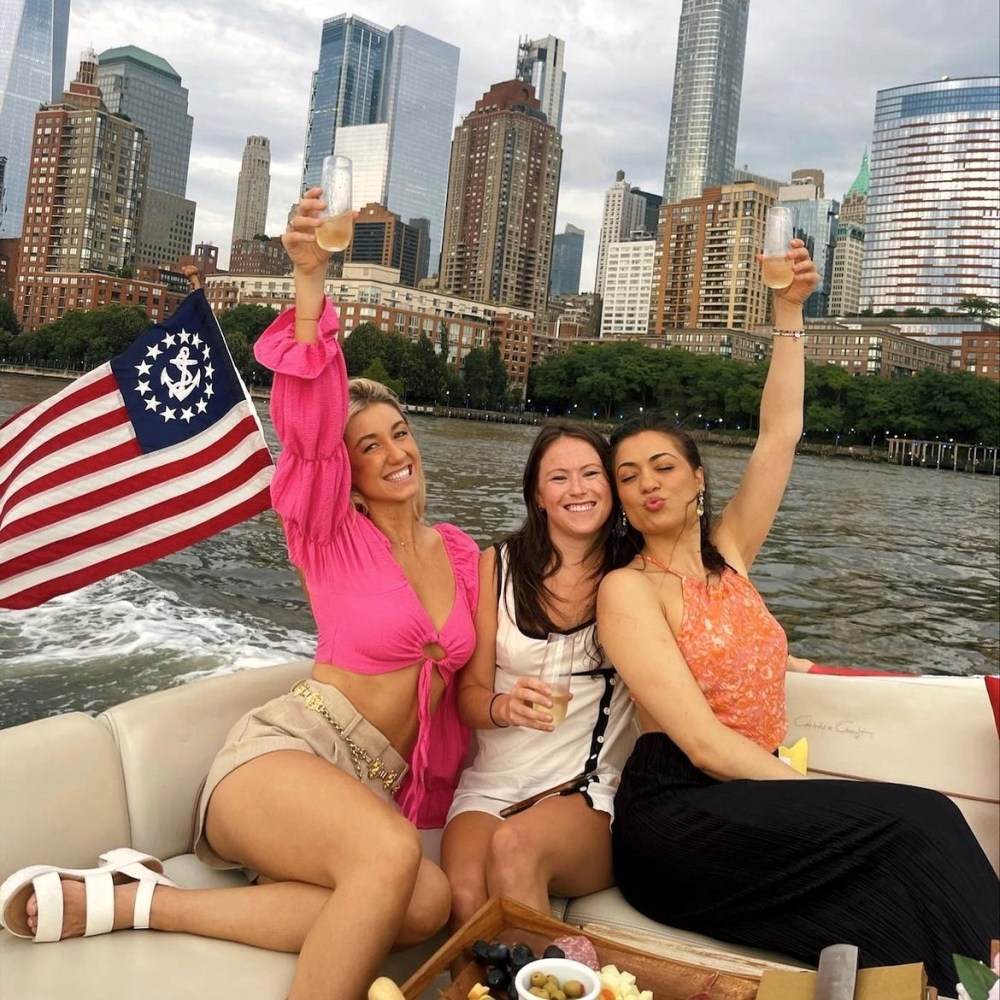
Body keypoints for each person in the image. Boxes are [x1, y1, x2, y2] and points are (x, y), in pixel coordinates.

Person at [0, 191, 481, 1000]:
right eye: (367, 445)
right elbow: (308, 426)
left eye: (399, 432)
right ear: (345, 471)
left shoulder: (463, 553)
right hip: (283, 758)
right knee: (390, 860)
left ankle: (148, 902)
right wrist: (308, 284)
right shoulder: (326, 530)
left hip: (369, 792)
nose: (393, 452)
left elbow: (488, 669)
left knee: (425, 902)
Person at [597, 239, 998, 991]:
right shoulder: (628, 590)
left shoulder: (731, 552)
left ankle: (976, 983)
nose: (647, 485)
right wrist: (834, 794)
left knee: (898, 904)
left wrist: (789, 311)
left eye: (662, 467)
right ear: (619, 501)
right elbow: (706, 746)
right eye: (627, 476)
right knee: (925, 818)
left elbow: (780, 431)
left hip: (748, 798)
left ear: (696, 479)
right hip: (680, 815)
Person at [441, 422, 637, 923]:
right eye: (559, 478)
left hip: (588, 791)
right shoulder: (498, 565)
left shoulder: (636, 573)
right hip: (493, 785)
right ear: (537, 495)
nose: (578, 489)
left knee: (514, 847)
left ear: (612, 490)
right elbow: (470, 696)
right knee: (463, 899)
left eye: (592, 473)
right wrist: (502, 707)